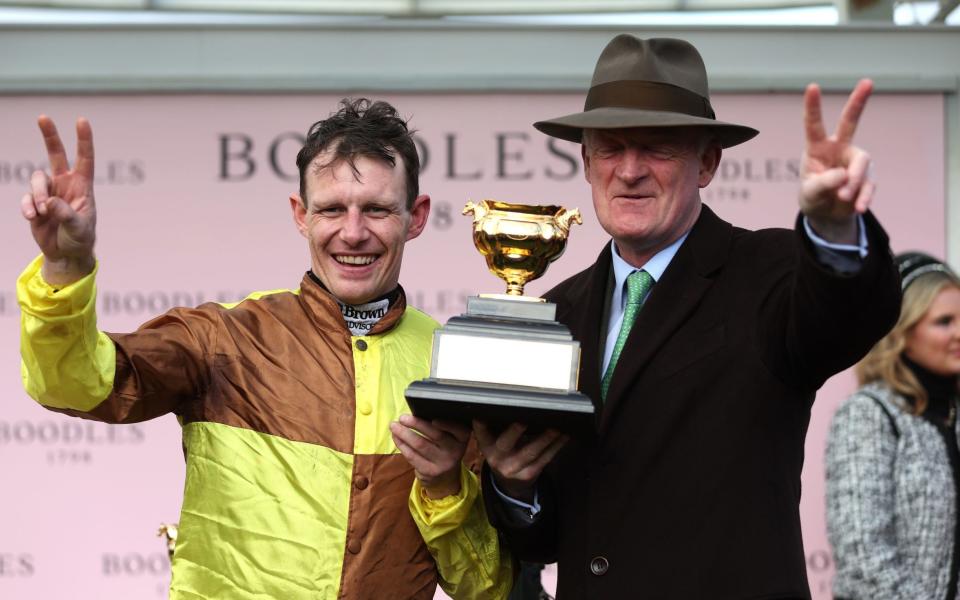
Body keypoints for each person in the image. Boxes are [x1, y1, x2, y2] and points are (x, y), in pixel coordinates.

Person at [18, 99, 512, 599]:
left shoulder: (452, 367)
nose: (354, 231)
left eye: (377, 209)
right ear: (301, 215)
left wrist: (446, 486)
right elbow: (76, 385)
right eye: (332, 209)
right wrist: (67, 268)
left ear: (417, 216)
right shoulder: (222, 339)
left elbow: (487, 587)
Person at [468, 35, 902, 598]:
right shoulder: (556, 311)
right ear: (585, 161)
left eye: (657, 148)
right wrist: (511, 486)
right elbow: (545, 541)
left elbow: (848, 313)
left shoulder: (769, 272)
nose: (629, 171)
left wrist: (836, 230)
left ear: (707, 162)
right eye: (611, 148)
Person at [826, 252, 960, 600]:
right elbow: (863, 557)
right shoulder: (869, 414)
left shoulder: (954, 412)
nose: (959, 332)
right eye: (944, 321)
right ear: (902, 331)